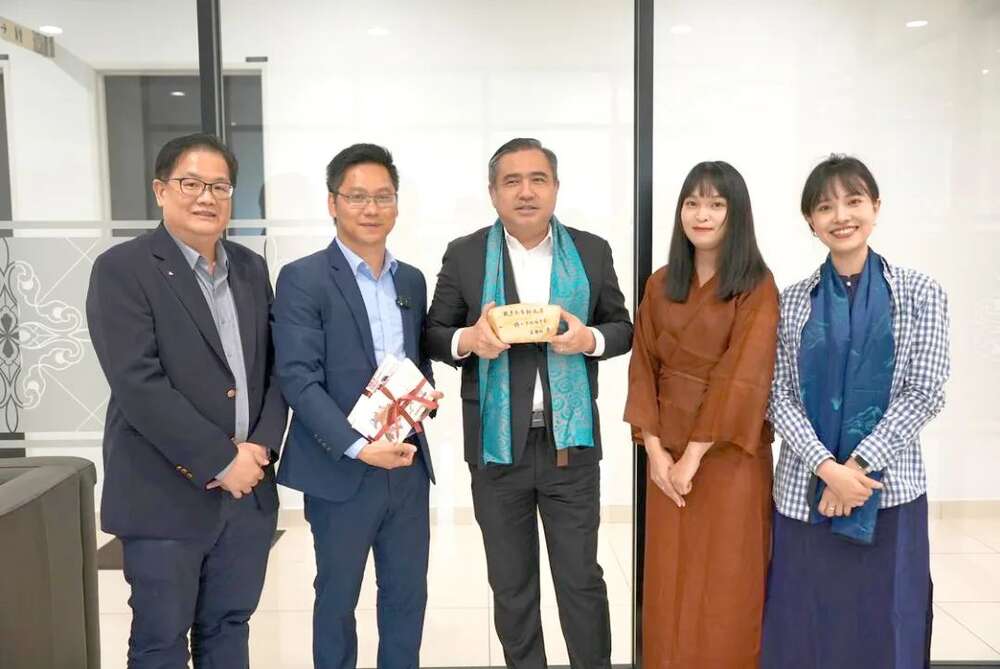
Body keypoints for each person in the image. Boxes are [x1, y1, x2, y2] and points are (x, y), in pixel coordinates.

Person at [425, 137, 633, 668]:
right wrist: (469, 340)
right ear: (493, 192)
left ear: (555, 188)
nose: (526, 191)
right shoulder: (466, 254)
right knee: (512, 585)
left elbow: (622, 327)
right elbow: (433, 333)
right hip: (496, 451)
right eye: (512, 181)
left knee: (580, 580)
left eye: (538, 179)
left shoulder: (590, 251)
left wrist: (588, 339)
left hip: (571, 447)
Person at [86, 132, 288, 667]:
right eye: (191, 184)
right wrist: (221, 459)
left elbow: (276, 371)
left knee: (229, 631)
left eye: (219, 186)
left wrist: (260, 449)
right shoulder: (122, 269)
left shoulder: (250, 268)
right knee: (161, 642)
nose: (206, 197)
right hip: (164, 495)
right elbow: (138, 384)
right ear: (160, 190)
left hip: (247, 494)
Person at [762, 154, 950, 668]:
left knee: (886, 623)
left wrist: (855, 470)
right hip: (806, 495)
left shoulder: (920, 293)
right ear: (810, 221)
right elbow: (777, 395)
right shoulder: (792, 301)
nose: (841, 215)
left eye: (853, 201)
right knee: (807, 625)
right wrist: (827, 470)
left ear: (876, 207)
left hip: (887, 493)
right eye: (825, 207)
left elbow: (924, 391)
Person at [272, 144, 440, 669]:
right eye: (357, 197)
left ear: (397, 204)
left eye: (383, 197)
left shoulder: (410, 279)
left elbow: (415, 359)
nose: (371, 208)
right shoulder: (303, 278)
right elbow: (298, 379)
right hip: (340, 469)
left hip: (406, 464)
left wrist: (424, 398)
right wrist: (357, 447)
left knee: (407, 597)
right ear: (333, 203)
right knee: (337, 600)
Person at [623, 161, 779, 668]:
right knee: (668, 579)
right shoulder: (660, 282)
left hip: (729, 454)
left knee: (726, 582)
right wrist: (653, 451)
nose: (702, 214)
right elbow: (643, 366)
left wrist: (692, 456)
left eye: (715, 204)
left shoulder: (756, 285)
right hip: (665, 455)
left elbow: (744, 374)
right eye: (692, 203)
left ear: (737, 214)